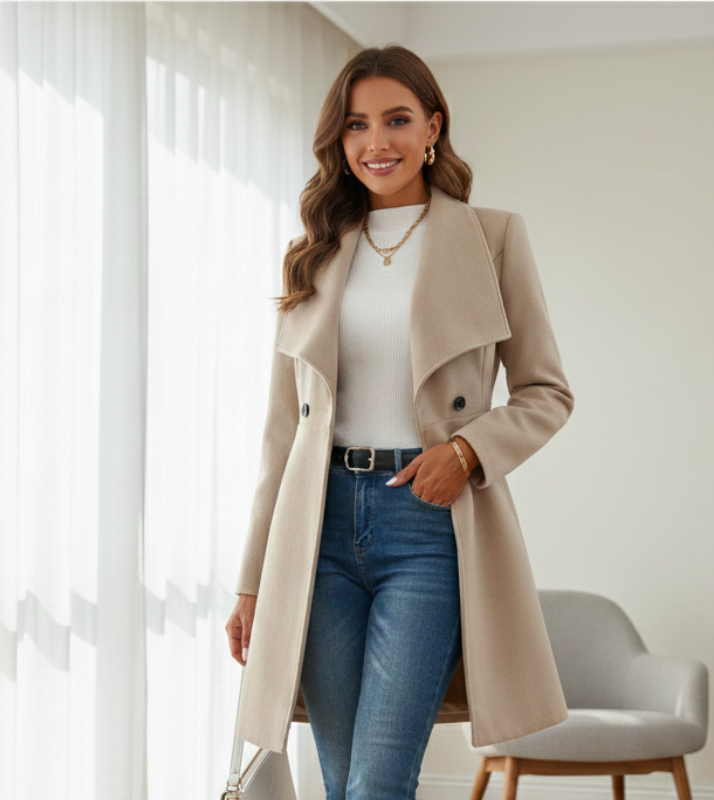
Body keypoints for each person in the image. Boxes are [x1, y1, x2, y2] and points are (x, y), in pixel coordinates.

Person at [225, 44, 574, 800]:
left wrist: (468, 451)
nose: (375, 141)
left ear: (433, 128)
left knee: (379, 782)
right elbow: (282, 435)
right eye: (356, 125)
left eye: (396, 120)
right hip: (316, 529)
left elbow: (546, 391)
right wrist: (252, 580)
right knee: (344, 782)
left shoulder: (492, 237)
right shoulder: (312, 254)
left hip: (426, 523)